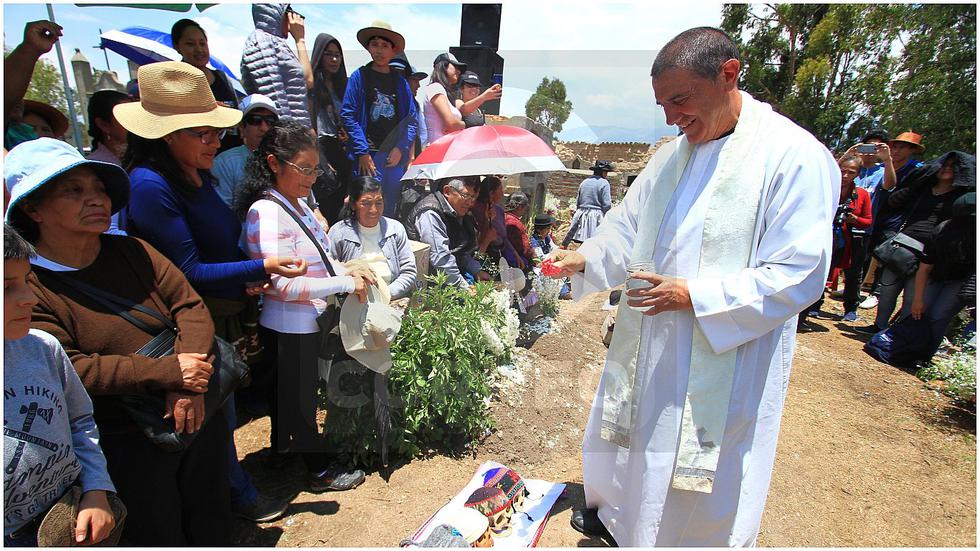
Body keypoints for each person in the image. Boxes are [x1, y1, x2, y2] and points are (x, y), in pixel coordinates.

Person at [545, 27, 839, 547]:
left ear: (729, 74)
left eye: (680, 100)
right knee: (641, 446)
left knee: (701, 474)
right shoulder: (669, 158)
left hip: (722, 351)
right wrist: (584, 256)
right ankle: (625, 522)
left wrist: (697, 297)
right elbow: (625, 229)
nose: (670, 117)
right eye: (662, 104)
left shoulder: (792, 156)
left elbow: (800, 271)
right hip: (651, 344)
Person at [5, 137, 231, 545]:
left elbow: (190, 307)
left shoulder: (133, 250)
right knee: (157, 525)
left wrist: (185, 382)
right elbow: (71, 367)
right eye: (73, 190)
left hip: (196, 405)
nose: (95, 199)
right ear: (31, 208)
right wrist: (167, 372)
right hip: (126, 435)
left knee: (210, 508)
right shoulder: (25, 286)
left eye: (98, 189)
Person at [117, 62, 303, 523]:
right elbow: (187, 272)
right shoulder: (149, 186)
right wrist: (261, 265)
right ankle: (236, 499)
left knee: (223, 410)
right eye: (202, 132)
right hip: (188, 322)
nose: (215, 141)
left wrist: (244, 277)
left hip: (221, 306)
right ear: (167, 135)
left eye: (215, 131)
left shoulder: (192, 174)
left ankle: (231, 492)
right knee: (212, 414)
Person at [237, 121, 372, 492]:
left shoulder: (294, 204)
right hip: (287, 322)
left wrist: (347, 268)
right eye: (305, 169)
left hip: (303, 320)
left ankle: (282, 451)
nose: (312, 177)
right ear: (274, 163)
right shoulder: (267, 212)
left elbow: (318, 260)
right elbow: (282, 282)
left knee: (289, 395)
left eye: (316, 169)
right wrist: (345, 282)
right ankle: (319, 471)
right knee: (298, 401)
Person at [4, 223, 118, 547]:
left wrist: (96, 489)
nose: (29, 298)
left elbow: (79, 419)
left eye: (26, 280)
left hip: (71, 514)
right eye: (6, 286)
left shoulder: (42, 348)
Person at [858, 151, 975, 333]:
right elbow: (894, 201)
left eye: (953, 166)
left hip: (931, 252)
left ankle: (897, 333)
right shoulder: (923, 188)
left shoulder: (962, 198)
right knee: (888, 289)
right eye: (944, 164)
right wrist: (917, 184)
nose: (947, 169)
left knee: (913, 297)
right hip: (903, 245)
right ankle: (879, 326)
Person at [340, 21, 417, 219]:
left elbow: (411, 119)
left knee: (388, 208)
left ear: (393, 50)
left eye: (385, 46)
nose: (379, 50)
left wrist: (401, 147)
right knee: (364, 206)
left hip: (392, 157)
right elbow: (347, 114)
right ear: (369, 48)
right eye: (375, 45)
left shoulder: (400, 82)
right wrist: (362, 151)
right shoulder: (359, 76)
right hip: (367, 156)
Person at [799, 155, 872, 325]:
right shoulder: (827, 189)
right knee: (816, 273)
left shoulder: (861, 195)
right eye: (842, 171)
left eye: (851, 172)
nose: (846, 175)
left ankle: (851, 308)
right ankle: (812, 307)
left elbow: (868, 220)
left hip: (846, 242)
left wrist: (855, 219)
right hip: (822, 238)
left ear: (858, 174)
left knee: (850, 274)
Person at [860, 131, 927, 309]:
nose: (896, 151)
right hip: (877, 214)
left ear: (912, 150)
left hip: (896, 220)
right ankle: (862, 287)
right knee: (868, 253)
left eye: (902, 147)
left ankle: (876, 292)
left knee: (885, 256)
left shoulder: (918, 169)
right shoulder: (883, 167)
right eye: (894, 147)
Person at [327, 175, 418, 300]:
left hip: (391, 298)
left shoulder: (396, 229)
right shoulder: (339, 233)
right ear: (353, 205)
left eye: (379, 203)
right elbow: (329, 271)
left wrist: (385, 294)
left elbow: (409, 272)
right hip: (353, 301)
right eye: (366, 203)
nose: (374, 210)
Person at [407, 177, 489, 288]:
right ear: (447, 191)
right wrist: (464, 287)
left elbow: (461, 250)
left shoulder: (458, 212)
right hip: (431, 284)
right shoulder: (430, 213)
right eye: (466, 196)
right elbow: (440, 258)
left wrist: (476, 271)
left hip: (452, 277)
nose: (470, 203)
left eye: (473, 197)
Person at [241, 3, 313, 125]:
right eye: (289, 12)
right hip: (284, 136)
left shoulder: (277, 43)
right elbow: (275, 95)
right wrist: (286, 138)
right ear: (276, 12)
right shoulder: (263, 41)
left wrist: (300, 41)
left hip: (295, 132)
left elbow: (307, 81)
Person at [308, 33, 352, 224]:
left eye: (338, 55)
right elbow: (309, 122)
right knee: (325, 205)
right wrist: (320, 158)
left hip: (341, 150)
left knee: (342, 206)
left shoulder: (343, 85)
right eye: (328, 54)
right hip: (320, 148)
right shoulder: (311, 86)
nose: (334, 59)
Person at [212, 94, 280, 208]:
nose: (264, 127)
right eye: (255, 120)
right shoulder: (224, 163)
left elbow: (309, 205)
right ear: (241, 127)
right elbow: (222, 213)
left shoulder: (287, 158)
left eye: (270, 121)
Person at [85, 90, 131, 234]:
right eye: (127, 118)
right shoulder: (95, 169)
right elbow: (109, 229)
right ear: (104, 125)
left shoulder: (133, 161)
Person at [170, 19, 239, 110]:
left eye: (202, 44)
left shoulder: (222, 78)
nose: (199, 50)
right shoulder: (171, 83)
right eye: (190, 44)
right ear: (177, 46)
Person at [472, 176, 522, 269]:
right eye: (500, 190)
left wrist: (515, 254)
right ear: (491, 193)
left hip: (499, 252)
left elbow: (503, 236)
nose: (503, 194)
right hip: (483, 254)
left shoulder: (498, 209)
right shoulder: (476, 209)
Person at [562, 160, 613, 247]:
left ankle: (565, 247)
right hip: (595, 216)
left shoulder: (584, 182)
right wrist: (608, 216)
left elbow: (578, 200)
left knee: (582, 242)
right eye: (606, 172)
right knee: (594, 242)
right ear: (603, 172)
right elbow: (607, 204)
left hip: (581, 213)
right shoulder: (604, 183)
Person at [420, 52, 466, 146]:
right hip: (437, 149)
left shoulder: (445, 93)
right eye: (455, 67)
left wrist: (458, 125)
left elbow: (453, 123)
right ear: (443, 66)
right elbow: (451, 123)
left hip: (446, 149)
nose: (459, 71)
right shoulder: (435, 87)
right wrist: (465, 125)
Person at [389, 53, 428, 161]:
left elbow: (420, 131)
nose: (419, 85)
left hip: (410, 155)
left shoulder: (414, 104)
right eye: (415, 80)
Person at [502, 192, 535, 269]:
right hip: (516, 262)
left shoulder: (503, 216)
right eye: (525, 208)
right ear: (520, 207)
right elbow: (524, 248)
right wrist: (534, 260)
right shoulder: (514, 223)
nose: (525, 211)